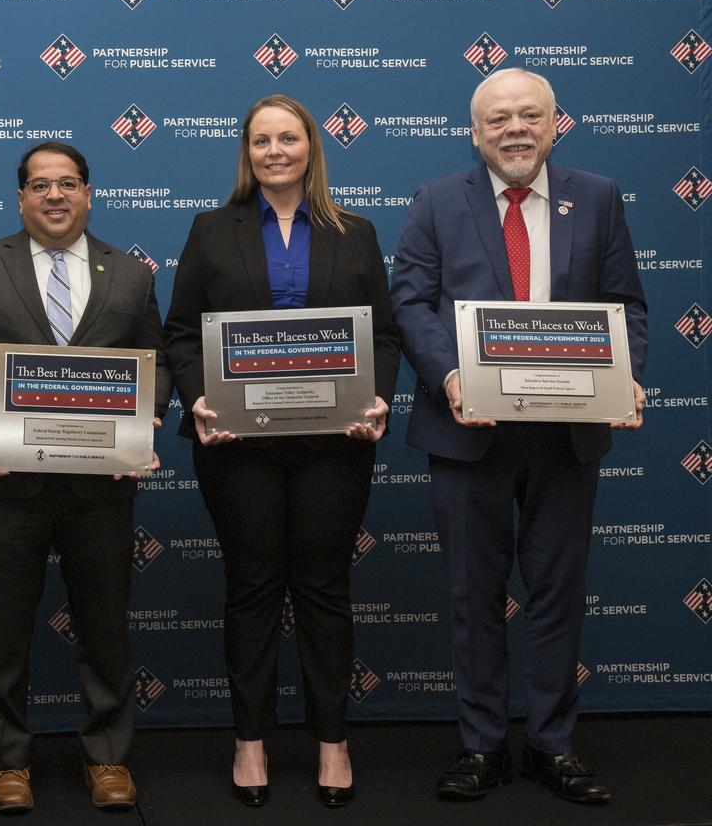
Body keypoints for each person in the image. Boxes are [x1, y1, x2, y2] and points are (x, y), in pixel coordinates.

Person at [388, 68, 646, 805]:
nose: (515, 129)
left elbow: (626, 304)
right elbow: (409, 301)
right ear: (475, 132)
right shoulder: (439, 200)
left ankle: (552, 744)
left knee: (560, 592)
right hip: (469, 430)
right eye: (498, 118)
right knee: (474, 596)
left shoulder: (596, 196)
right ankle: (482, 744)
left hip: (567, 434)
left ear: (556, 123)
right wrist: (449, 378)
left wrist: (625, 374)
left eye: (530, 114)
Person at [163, 95, 399, 810]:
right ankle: (250, 742)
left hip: (335, 443)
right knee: (254, 588)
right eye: (261, 140)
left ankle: (333, 741)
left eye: (287, 138)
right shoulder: (211, 230)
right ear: (247, 151)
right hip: (239, 446)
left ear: (310, 147)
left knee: (325, 590)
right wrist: (200, 397)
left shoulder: (354, 231)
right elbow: (179, 333)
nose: (274, 151)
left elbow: (382, 336)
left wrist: (379, 396)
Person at [0, 142, 170, 814]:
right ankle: (9, 762)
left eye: (67, 183)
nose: (55, 196)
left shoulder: (131, 274)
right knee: (4, 631)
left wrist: (145, 417)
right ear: (21, 198)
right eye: (40, 185)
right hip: (8, 485)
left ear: (89, 194)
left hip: (101, 488)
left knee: (105, 628)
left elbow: (158, 360)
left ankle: (108, 758)